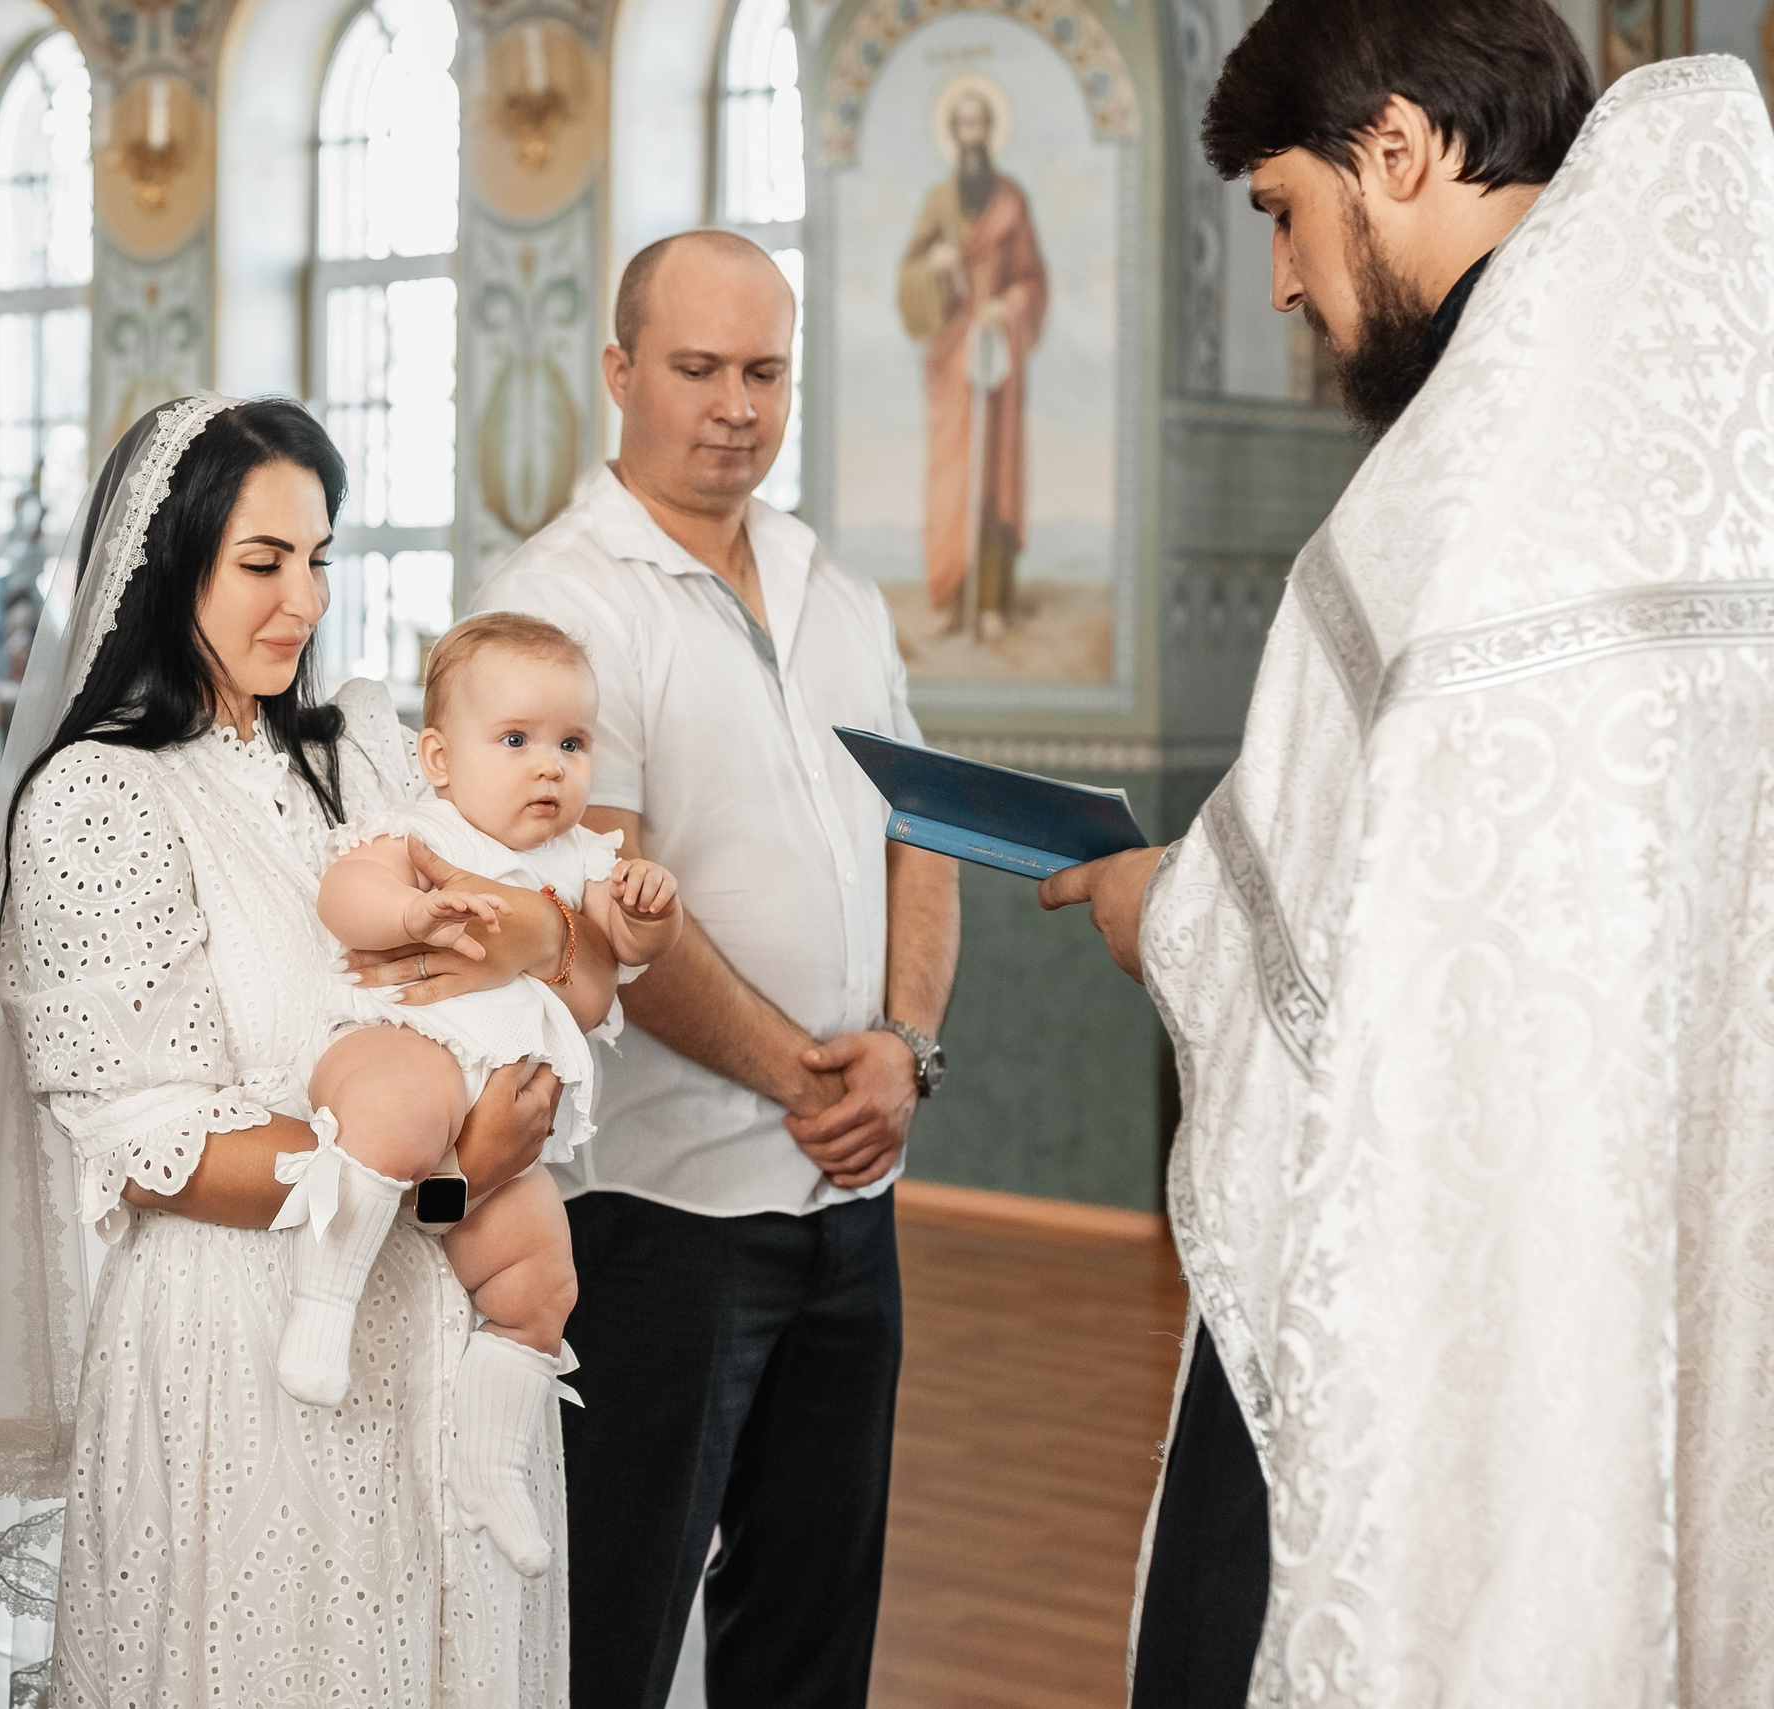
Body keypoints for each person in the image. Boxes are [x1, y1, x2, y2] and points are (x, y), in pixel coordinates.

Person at [1038, 8, 1774, 1703]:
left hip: (1461, 1297)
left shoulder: (1454, 496)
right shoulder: (1710, 450)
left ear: (1401, 148)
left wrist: (1164, 911)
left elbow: (1304, 961)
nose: (1286, 283)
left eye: (1285, 213)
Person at [0, 396, 623, 1706]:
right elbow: (156, 1146)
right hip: (240, 1349)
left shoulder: (364, 750)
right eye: (262, 563)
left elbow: (557, 916)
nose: (301, 600)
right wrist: (456, 1176)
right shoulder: (99, 801)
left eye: (320, 558)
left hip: (436, 1327)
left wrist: (532, 940)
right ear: (165, 564)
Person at [475, 229, 963, 1709]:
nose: (737, 405)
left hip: (849, 1201)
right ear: (620, 372)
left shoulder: (832, 583)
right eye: (698, 369)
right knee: (612, 1623)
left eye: (765, 371)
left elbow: (919, 835)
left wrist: (900, 1046)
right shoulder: (563, 601)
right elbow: (596, 908)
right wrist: (802, 1079)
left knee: (813, 1629)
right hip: (661, 1207)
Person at [285, 610, 686, 1576]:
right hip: (408, 1044)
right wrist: (410, 908)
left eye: (572, 743)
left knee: (543, 1282)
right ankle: (324, 1302)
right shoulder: (420, 832)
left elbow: (618, 957)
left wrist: (651, 916)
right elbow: (347, 894)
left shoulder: (587, 859)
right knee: (398, 1118)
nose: (550, 767)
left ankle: (489, 1463)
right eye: (516, 741)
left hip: (506, 1126)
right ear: (438, 756)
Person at [898, 76, 1047, 638]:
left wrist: (1006, 306)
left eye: (980, 124)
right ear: (953, 134)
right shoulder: (938, 201)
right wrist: (932, 271)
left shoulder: (1012, 200)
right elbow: (909, 278)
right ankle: (950, 599)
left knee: (994, 477)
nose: (972, 135)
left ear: (990, 131)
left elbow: (1031, 278)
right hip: (950, 354)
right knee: (953, 476)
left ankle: (988, 604)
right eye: (962, 125)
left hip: (995, 356)